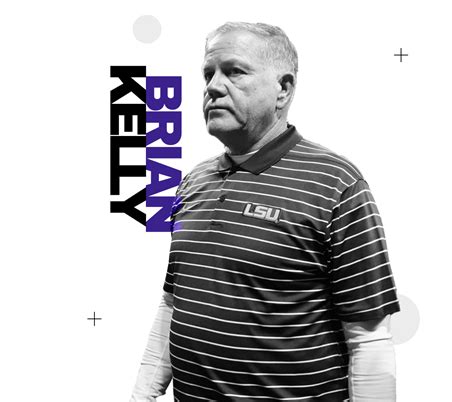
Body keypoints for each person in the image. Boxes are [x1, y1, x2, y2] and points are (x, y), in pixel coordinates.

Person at [130, 21, 400, 401]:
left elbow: (369, 340)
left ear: (283, 89)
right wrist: (142, 394)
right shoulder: (192, 182)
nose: (213, 87)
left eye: (234, 72)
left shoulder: (336, 184)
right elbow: (174, 303)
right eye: (208, 74)